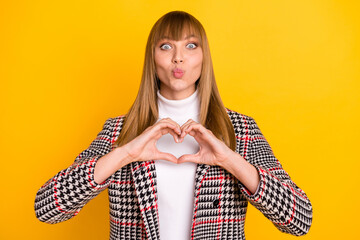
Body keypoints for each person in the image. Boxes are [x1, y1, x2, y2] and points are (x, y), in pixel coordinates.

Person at [35, 11, 313, 239]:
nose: (178, 57)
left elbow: (299, 219)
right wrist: (125, 154)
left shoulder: (238, 129)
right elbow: (47, 208)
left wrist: (229, 159)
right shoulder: (121, 131)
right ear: (152, 58)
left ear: (204, 58)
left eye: (191, 46)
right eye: (166, 46)